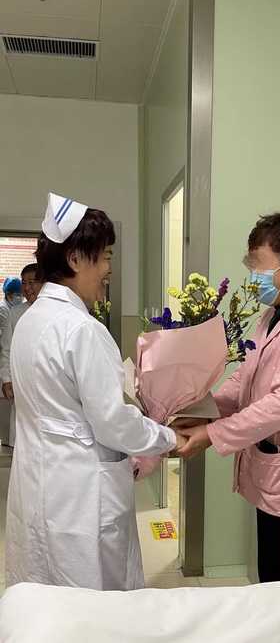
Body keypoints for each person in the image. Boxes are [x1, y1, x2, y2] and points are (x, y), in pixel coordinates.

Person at [5, 192, 186, 591]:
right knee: (93, 598)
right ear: (75, 259)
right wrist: (168, 438)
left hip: (39, 482)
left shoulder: (31, 320)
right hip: (81, 494)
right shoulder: (82, 329)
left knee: (46, 591)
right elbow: (112, 421)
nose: (109, 269)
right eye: (105, 256)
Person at [174, 212, 280, 583]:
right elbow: (245, 379)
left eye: (259, 265)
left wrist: (213, 434)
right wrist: (205, 413)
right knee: (272, 578)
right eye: (250, 264)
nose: (253, 275)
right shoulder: (272, 315)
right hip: (275, 475)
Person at [0, 264, 43, 446]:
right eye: (24, 282)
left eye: (32, 282)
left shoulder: (54, 311)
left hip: (46, 382)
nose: (26, 288)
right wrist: (6, 378)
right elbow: (6, 348)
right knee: (22, 438)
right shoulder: (16, 312)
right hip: (22, 382)